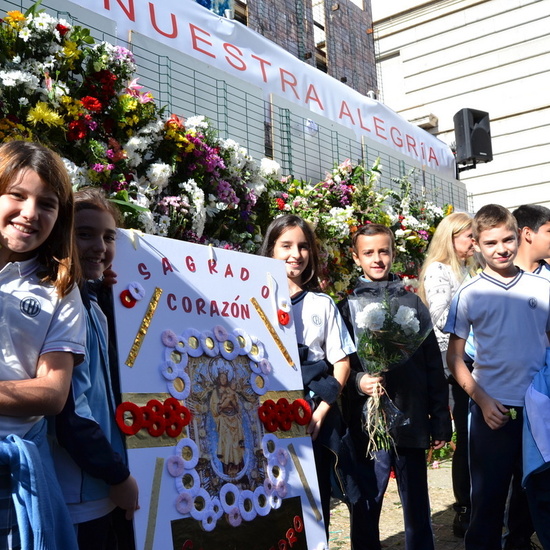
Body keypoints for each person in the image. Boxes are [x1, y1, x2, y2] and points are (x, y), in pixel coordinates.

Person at [339, 223, 451, 550]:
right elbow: (342, 362)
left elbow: (432, 365)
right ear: (356, 257)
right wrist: (360, 382)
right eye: (369, 253)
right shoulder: (346, 307)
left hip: (411, 416)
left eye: (383, 251)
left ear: (393, 253)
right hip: (369, 424)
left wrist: (440, 417)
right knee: (368, 498)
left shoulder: (413, 303)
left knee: (416, 500)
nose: (377, 259)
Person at [445, 204, 550, 550]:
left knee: (531, 495)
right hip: (492, 412)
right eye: (491, 243)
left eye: (507, 239)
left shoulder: (543, 287)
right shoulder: (468, 293)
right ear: (476, 245)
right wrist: (482, 399)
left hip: (538, 411)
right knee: (487, 502)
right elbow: (455, 356)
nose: (501, 249)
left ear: (518, 236)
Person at [0, 140, 86, 548]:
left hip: (10, 479)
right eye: (16, 195)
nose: (30, 213)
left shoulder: (60, 288)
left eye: (47, 203)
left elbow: (52, 392)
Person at [49, 187, 139, 550]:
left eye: (108, 236)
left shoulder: (92, 305)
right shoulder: (59, 305)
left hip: (99, 489)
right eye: (84, 234)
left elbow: (111, 377)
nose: (99, 246)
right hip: (77, 493)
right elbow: (70, 411)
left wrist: (101, 294)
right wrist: (116, 474)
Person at [258, 214, 354, 537]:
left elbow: (341, 364)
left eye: (302, 246)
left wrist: (322, 409)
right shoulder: (252, 302)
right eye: (285, 245)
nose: (294, 254)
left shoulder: (322, 304)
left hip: (311, 416)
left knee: (313, 508)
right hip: (267, 417)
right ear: (271, 249)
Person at [417, 211, 476, 538]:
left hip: (473, 357)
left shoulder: (467, 268)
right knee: (465, 437)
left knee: (475, 434)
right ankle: (464, 508)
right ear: (451, 239)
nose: (473, 240)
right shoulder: (439, 270)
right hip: (452, 359)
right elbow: (441, 316)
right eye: (468, 235)